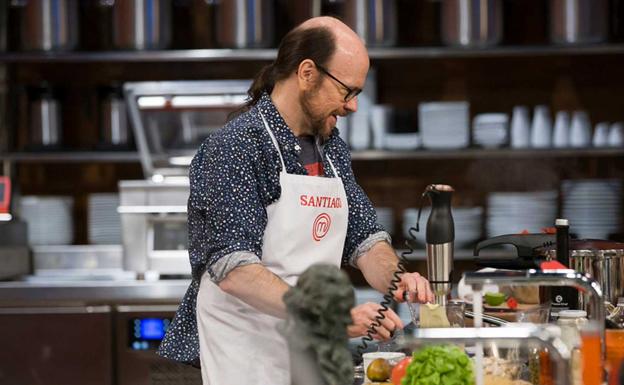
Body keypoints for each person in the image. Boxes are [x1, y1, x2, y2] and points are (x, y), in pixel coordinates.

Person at [158, 16, 434, 384]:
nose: (352, 107)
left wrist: (396, 279)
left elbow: (365, 238)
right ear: (307, 73)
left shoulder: (330, 147)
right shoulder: (237, 147)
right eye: (347, 91)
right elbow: (234, 271)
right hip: (233, 353)